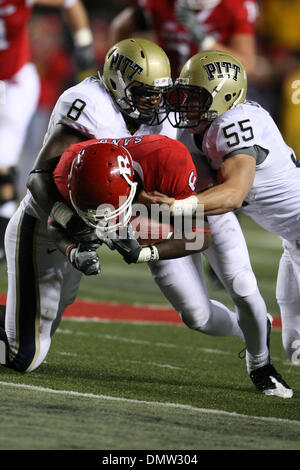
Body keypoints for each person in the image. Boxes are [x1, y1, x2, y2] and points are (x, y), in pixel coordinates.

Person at [1, 37, 289, 397]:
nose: (156, 104)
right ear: (118, 84)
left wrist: (149, 242)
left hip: (145, 211)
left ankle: (258, 351)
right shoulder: (87, 114)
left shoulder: (169, 143)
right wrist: (76, 238)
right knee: (26, 351)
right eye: (145, 93)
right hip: (64, 214)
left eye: (161, 94)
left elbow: (201, 231)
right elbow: (41, 181)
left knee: (200, 310)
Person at [0, 136, 210, 372]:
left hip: (109, 207)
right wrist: (72, 251)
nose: (103, 221)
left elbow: (200, 234)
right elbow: (53, 224)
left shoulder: (167, 159)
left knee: (58, 305)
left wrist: (145, 253)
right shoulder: (68, 172)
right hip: (37, 229)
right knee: (23, 357)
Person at [156, 49, 300, 383]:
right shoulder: (202, 128)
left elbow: (233, 194)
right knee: (294, 346)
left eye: (195, 97)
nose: (185, 103)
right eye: (185, 93)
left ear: (224, 97)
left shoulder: (234, 125)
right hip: (292, 240)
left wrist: (178, 207)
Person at [0, 0, 96, 261]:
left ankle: (6, 225)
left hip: (13, 80)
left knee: (5, 158)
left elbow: (71, 3)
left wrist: (84, 42)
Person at [108, 0, 258, 78]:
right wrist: (120, 75)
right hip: (164, 93)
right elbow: (119, 28)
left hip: (212, 96)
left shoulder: (235, 6)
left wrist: (206, 42)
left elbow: (246, 64)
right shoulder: (159, 4)